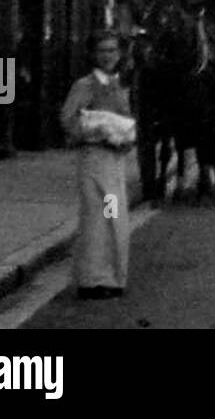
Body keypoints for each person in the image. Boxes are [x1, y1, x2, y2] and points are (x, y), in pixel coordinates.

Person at [60, 33, 135, 300]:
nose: (107, 56)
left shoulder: (119, 86)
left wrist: (125, 137)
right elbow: (68, 120)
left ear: (119, 54)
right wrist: (97, 129)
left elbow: (129, 122)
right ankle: (92, 279)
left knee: (113, 217)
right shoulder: (84, 86)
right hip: (93, 161)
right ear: (94, 54)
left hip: (114, 162)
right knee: (96, 220)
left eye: (112, 51)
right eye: (102, 50)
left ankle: (112, 276)